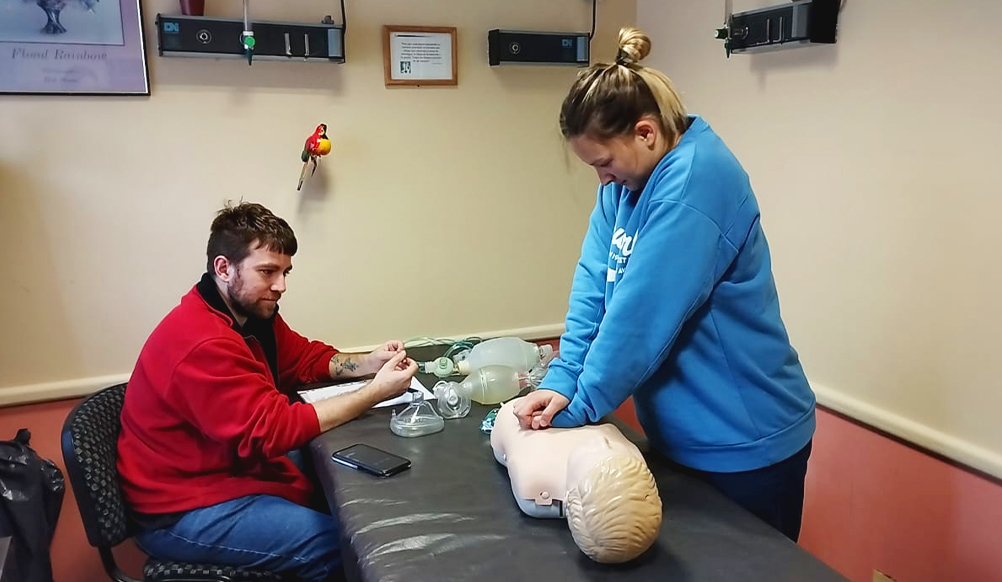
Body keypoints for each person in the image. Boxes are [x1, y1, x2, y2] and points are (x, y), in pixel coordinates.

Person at [513, 27, 817, 543]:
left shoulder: (696, 181)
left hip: (745, 439)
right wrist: (561, 380)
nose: (601, 180)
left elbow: (640, 317)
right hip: (681, 436)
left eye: (604, 163)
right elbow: (594, 286)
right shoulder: (625, 185)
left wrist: (580, 405)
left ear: (646, 133)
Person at [117, 202, 418, 581]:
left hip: (221, 470)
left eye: (285, 272)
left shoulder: (248, 312)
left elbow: (301, 359)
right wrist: (374, 392)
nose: (281, 286)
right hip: (180, 508)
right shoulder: (202, 342)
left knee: (347, 502)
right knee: (347, 544)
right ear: (224, 268)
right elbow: (271, 430)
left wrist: (367, 364)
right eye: (267, 272)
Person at [491, 398, 662, 563]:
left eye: (592, 454)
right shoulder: (635, 462)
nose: (601, 442)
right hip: (574, 399)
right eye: (613, 448)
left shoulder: (534, 478)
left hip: (521, 413)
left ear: (571, 499)